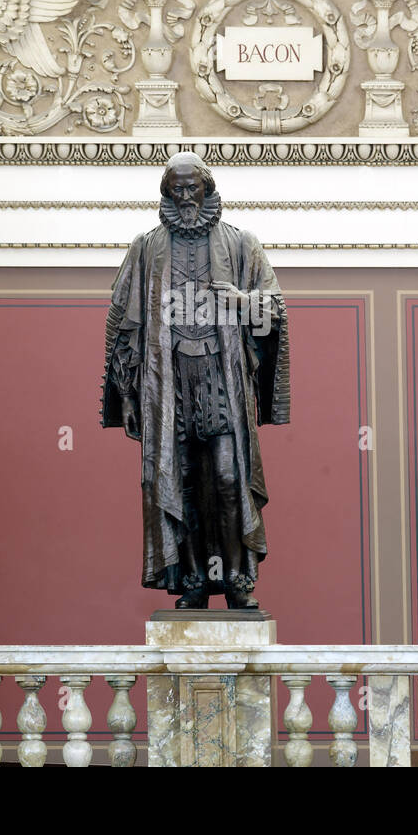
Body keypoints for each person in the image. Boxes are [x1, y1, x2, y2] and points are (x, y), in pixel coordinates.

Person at [101, 152, 290, 609]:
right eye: (176, 189)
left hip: (221, 379)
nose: (185, 197)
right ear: (167, 193)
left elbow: (275, 312)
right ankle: (193, 582)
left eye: (193, 187)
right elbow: (123, 327)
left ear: (208, 188)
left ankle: (237, 582)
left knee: (228, 479)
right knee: (179, 480)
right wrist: (126, 397)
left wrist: (242, 301)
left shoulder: (243, 244)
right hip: (168, 387)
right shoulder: (146, 247)